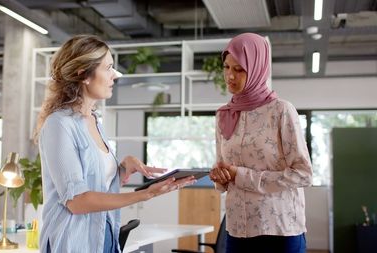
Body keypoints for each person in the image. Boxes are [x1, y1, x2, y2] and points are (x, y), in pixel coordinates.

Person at [34, 35, 196, 253]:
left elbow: (97, 187)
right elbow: (77, 201)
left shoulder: (94, 121)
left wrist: (121, 169)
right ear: (84, 74)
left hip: (105, 236)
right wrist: (145, 195)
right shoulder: (59, 125)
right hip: (74, 243)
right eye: (108, 68)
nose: (114, 75)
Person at [209, 33, 312, 253]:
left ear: (257, 68)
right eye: (226, 67)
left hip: (280, 229)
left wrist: (241, 175)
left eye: (239, 69)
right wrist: (220, 177)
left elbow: (303, 174)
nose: (230, 76)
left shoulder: (281, 111)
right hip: (238, 228)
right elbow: (223, 169)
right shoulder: (223, 115)